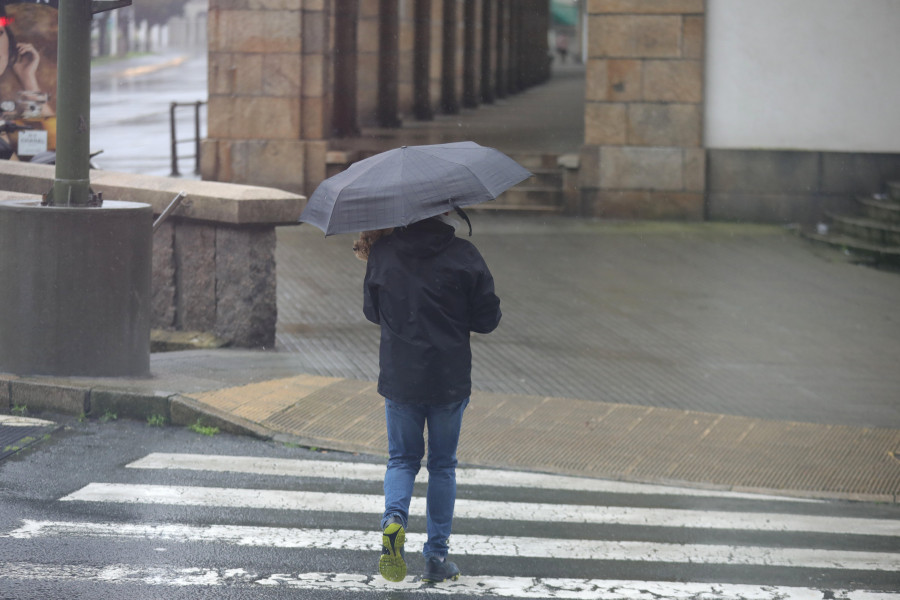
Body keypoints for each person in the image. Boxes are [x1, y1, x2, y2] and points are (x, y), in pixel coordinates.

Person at [362, 213, 502, 583]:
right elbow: (488, 319)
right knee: (442, 465)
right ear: (444, 210)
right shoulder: (465, 255)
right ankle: (436, 558)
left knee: (403, 459)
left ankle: (394, 520)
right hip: (448, 378)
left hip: (400, 376)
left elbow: (372, 311)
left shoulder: (384, 254)